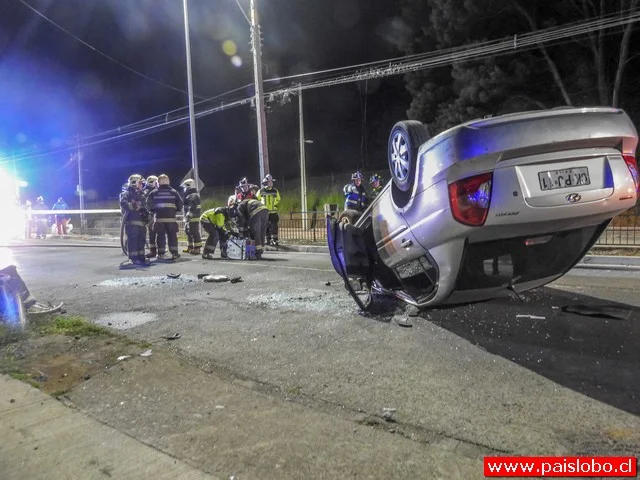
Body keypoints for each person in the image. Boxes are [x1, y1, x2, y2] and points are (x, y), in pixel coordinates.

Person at [147, 174, 183, 260]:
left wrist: (153, 210)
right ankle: (174, 253)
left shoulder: (154, 192)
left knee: (160, 236)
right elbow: (180, 204)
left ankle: (161, 254)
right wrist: (175, 210)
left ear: (158, 183)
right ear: (168, 182)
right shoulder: (174, 192)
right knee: (172, 236)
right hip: (171, 219)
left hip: (159, 219)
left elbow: (148, 203)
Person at [120, 174, 148, 265]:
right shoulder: (126, 194)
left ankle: (141, 257)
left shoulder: (141, 194)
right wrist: (134, 206)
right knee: (133, 240)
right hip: (132, 223)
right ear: (134, 183)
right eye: (140, 183)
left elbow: (144, 206)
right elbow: (124, 204)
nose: (142, 185)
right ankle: (133, 258)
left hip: (142, 223)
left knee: (141, 240)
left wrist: (147, 215)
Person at [256, 174, 281, 247]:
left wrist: (274, 205)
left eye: (271, 182)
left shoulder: (275, 191)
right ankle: (267, 239)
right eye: (270, 182)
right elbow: (257, 199)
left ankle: (274, 240)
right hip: (265, 212)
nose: (271, 183)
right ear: (266, 183)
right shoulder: (261, 191)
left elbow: (278, 199)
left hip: (273, 212)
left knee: (274, 226)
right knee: (266, 226)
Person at [180, 178, 202, 255]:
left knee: (194, 232)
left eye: (185, 187)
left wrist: (188, 216)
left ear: (188, 186)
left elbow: (192, 207)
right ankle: (190, 247)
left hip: (193, 218)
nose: (184, 189)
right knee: (188, 232)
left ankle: (197, 248)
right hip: (189, 218)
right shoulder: (189, 195)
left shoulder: (193, 196)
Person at [143, 175, 158, 258]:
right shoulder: (149, 190)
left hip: (154, 214)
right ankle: (156, 250)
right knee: (154, 233)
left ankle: (154, 251)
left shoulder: (150, 190)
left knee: (153, 233)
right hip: (154, 215)